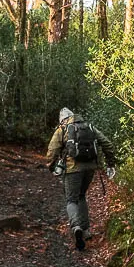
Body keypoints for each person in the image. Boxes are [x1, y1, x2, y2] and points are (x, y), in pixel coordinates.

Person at [46, 108, 117, 251]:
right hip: (90, 168)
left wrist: (51, 166)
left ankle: (76, 226)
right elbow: (107, 144)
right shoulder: (89, 127)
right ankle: (86, 230)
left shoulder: (63, 129)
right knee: (82, 195)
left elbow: (52, 151)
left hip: (72, 170)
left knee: (71, 199)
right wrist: (110, 163)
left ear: (62, 119)